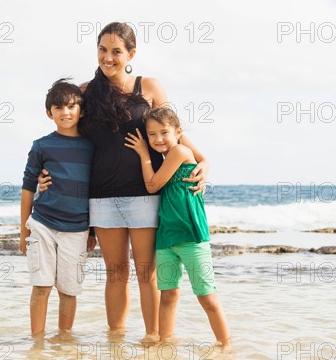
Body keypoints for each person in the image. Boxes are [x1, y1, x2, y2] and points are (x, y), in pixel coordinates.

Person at [38, 22, 209, 342]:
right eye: (102, 50)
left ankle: (153, 339)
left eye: (116, 51)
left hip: (145, 194)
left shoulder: (150, 87)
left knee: (147, 273)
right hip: (101, 197)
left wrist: (203, 160)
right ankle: (115, 341)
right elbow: (68, 136)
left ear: (131, 53)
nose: (108, 57)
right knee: (116, 274)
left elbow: (174, 132)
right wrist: (47, 174)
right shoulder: (86, 93)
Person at [124, 106, 231, 347]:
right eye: (151, 135)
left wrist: (143, 154)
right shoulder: (166, 157)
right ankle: (165, 343)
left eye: (164, 132)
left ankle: (226, 345)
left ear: (178, 132)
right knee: (168, 295)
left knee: (207, 297)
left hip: (192, 236)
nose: (158, 139)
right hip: (166, 238)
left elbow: (152, 186)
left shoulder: (180, 151)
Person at [20, 79, 96, 337]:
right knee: (41, 286)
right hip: (42, 223)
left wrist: (93, 231)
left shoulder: (92, 147)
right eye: (59, 107)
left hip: (77, 229)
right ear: (49, 113)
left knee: (69, 289)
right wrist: (23, 230)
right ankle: (37, 344)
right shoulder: (41, 146)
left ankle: (64, 341)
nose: (66, 112)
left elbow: (96, 190)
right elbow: (28, 186)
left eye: (72, 106)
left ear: (81, 110)